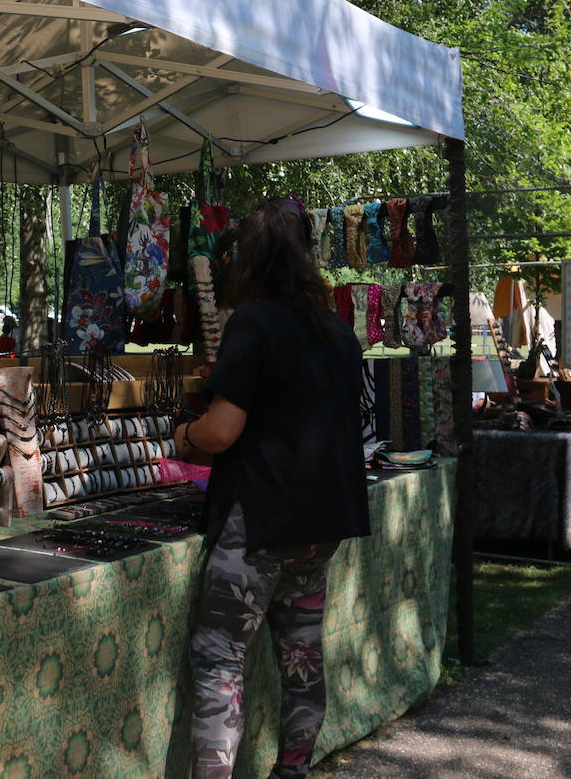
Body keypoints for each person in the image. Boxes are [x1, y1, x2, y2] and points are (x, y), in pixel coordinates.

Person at [174, 199, 369, 779]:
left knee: (220, 662)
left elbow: (220, 432)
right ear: (306, 257)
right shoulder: (336, 330)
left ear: (246, 261)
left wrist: (185, 435)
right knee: (303, 657)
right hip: (320, 525)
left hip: (260, 524)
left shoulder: (253, 324)